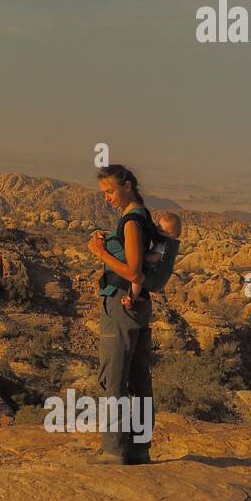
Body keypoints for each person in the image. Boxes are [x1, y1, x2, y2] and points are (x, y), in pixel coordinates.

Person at [86, 164, 156, 465]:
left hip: (120, 303)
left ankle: (114, 448)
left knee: (114, 376)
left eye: (110, 191)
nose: (107, 198)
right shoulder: (143, 217)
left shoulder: (131, 222)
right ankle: (139, 448)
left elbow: (133, 271)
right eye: (104, 193)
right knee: (139, 378)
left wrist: (100, 252)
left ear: (127, 186)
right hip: (137, 305)